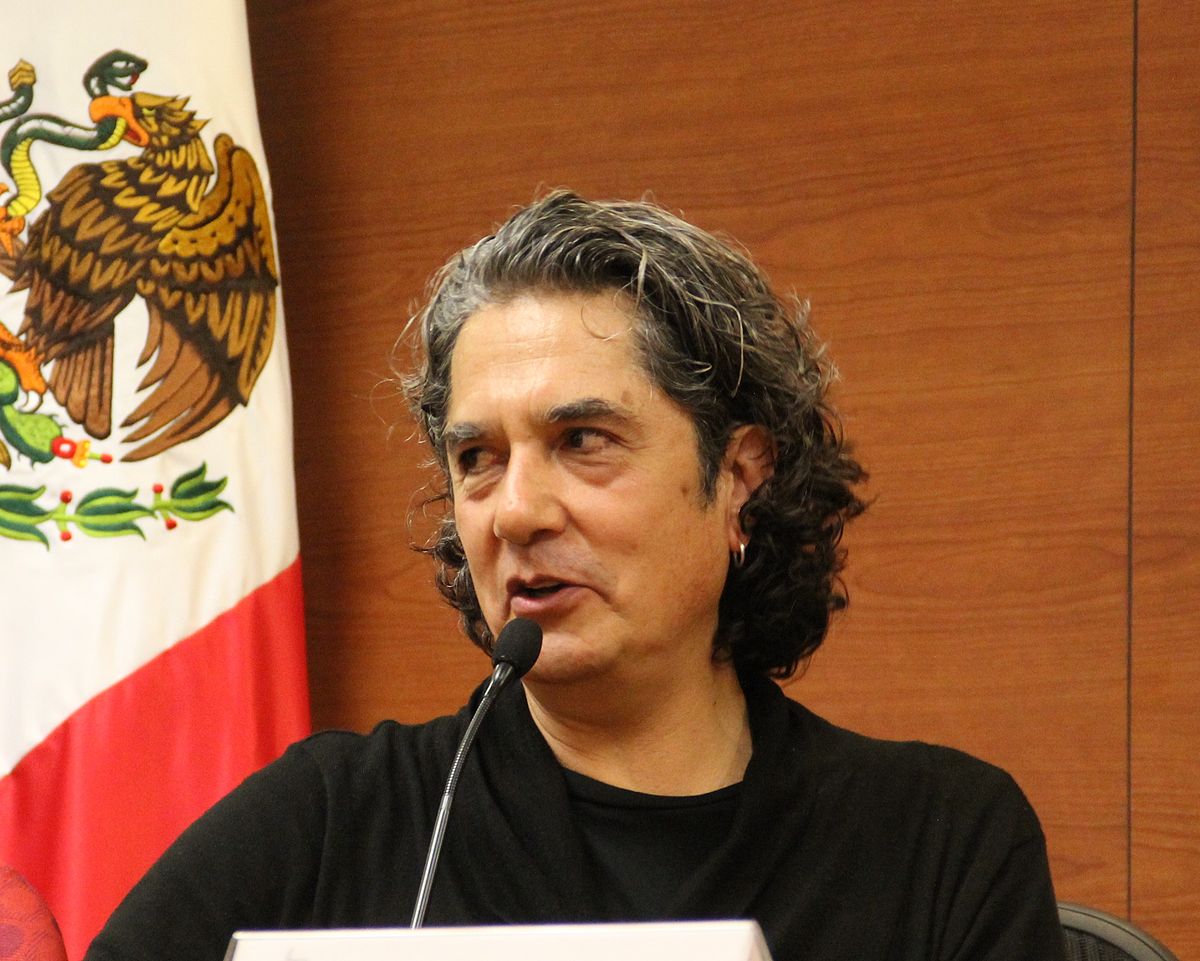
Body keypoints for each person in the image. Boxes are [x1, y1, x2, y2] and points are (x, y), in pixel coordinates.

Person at [85, 191, 1065, 960]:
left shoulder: (940, 845)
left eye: (583, 440)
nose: (515, 511)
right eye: (478, 458)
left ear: (738, 479)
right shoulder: (333, 823)